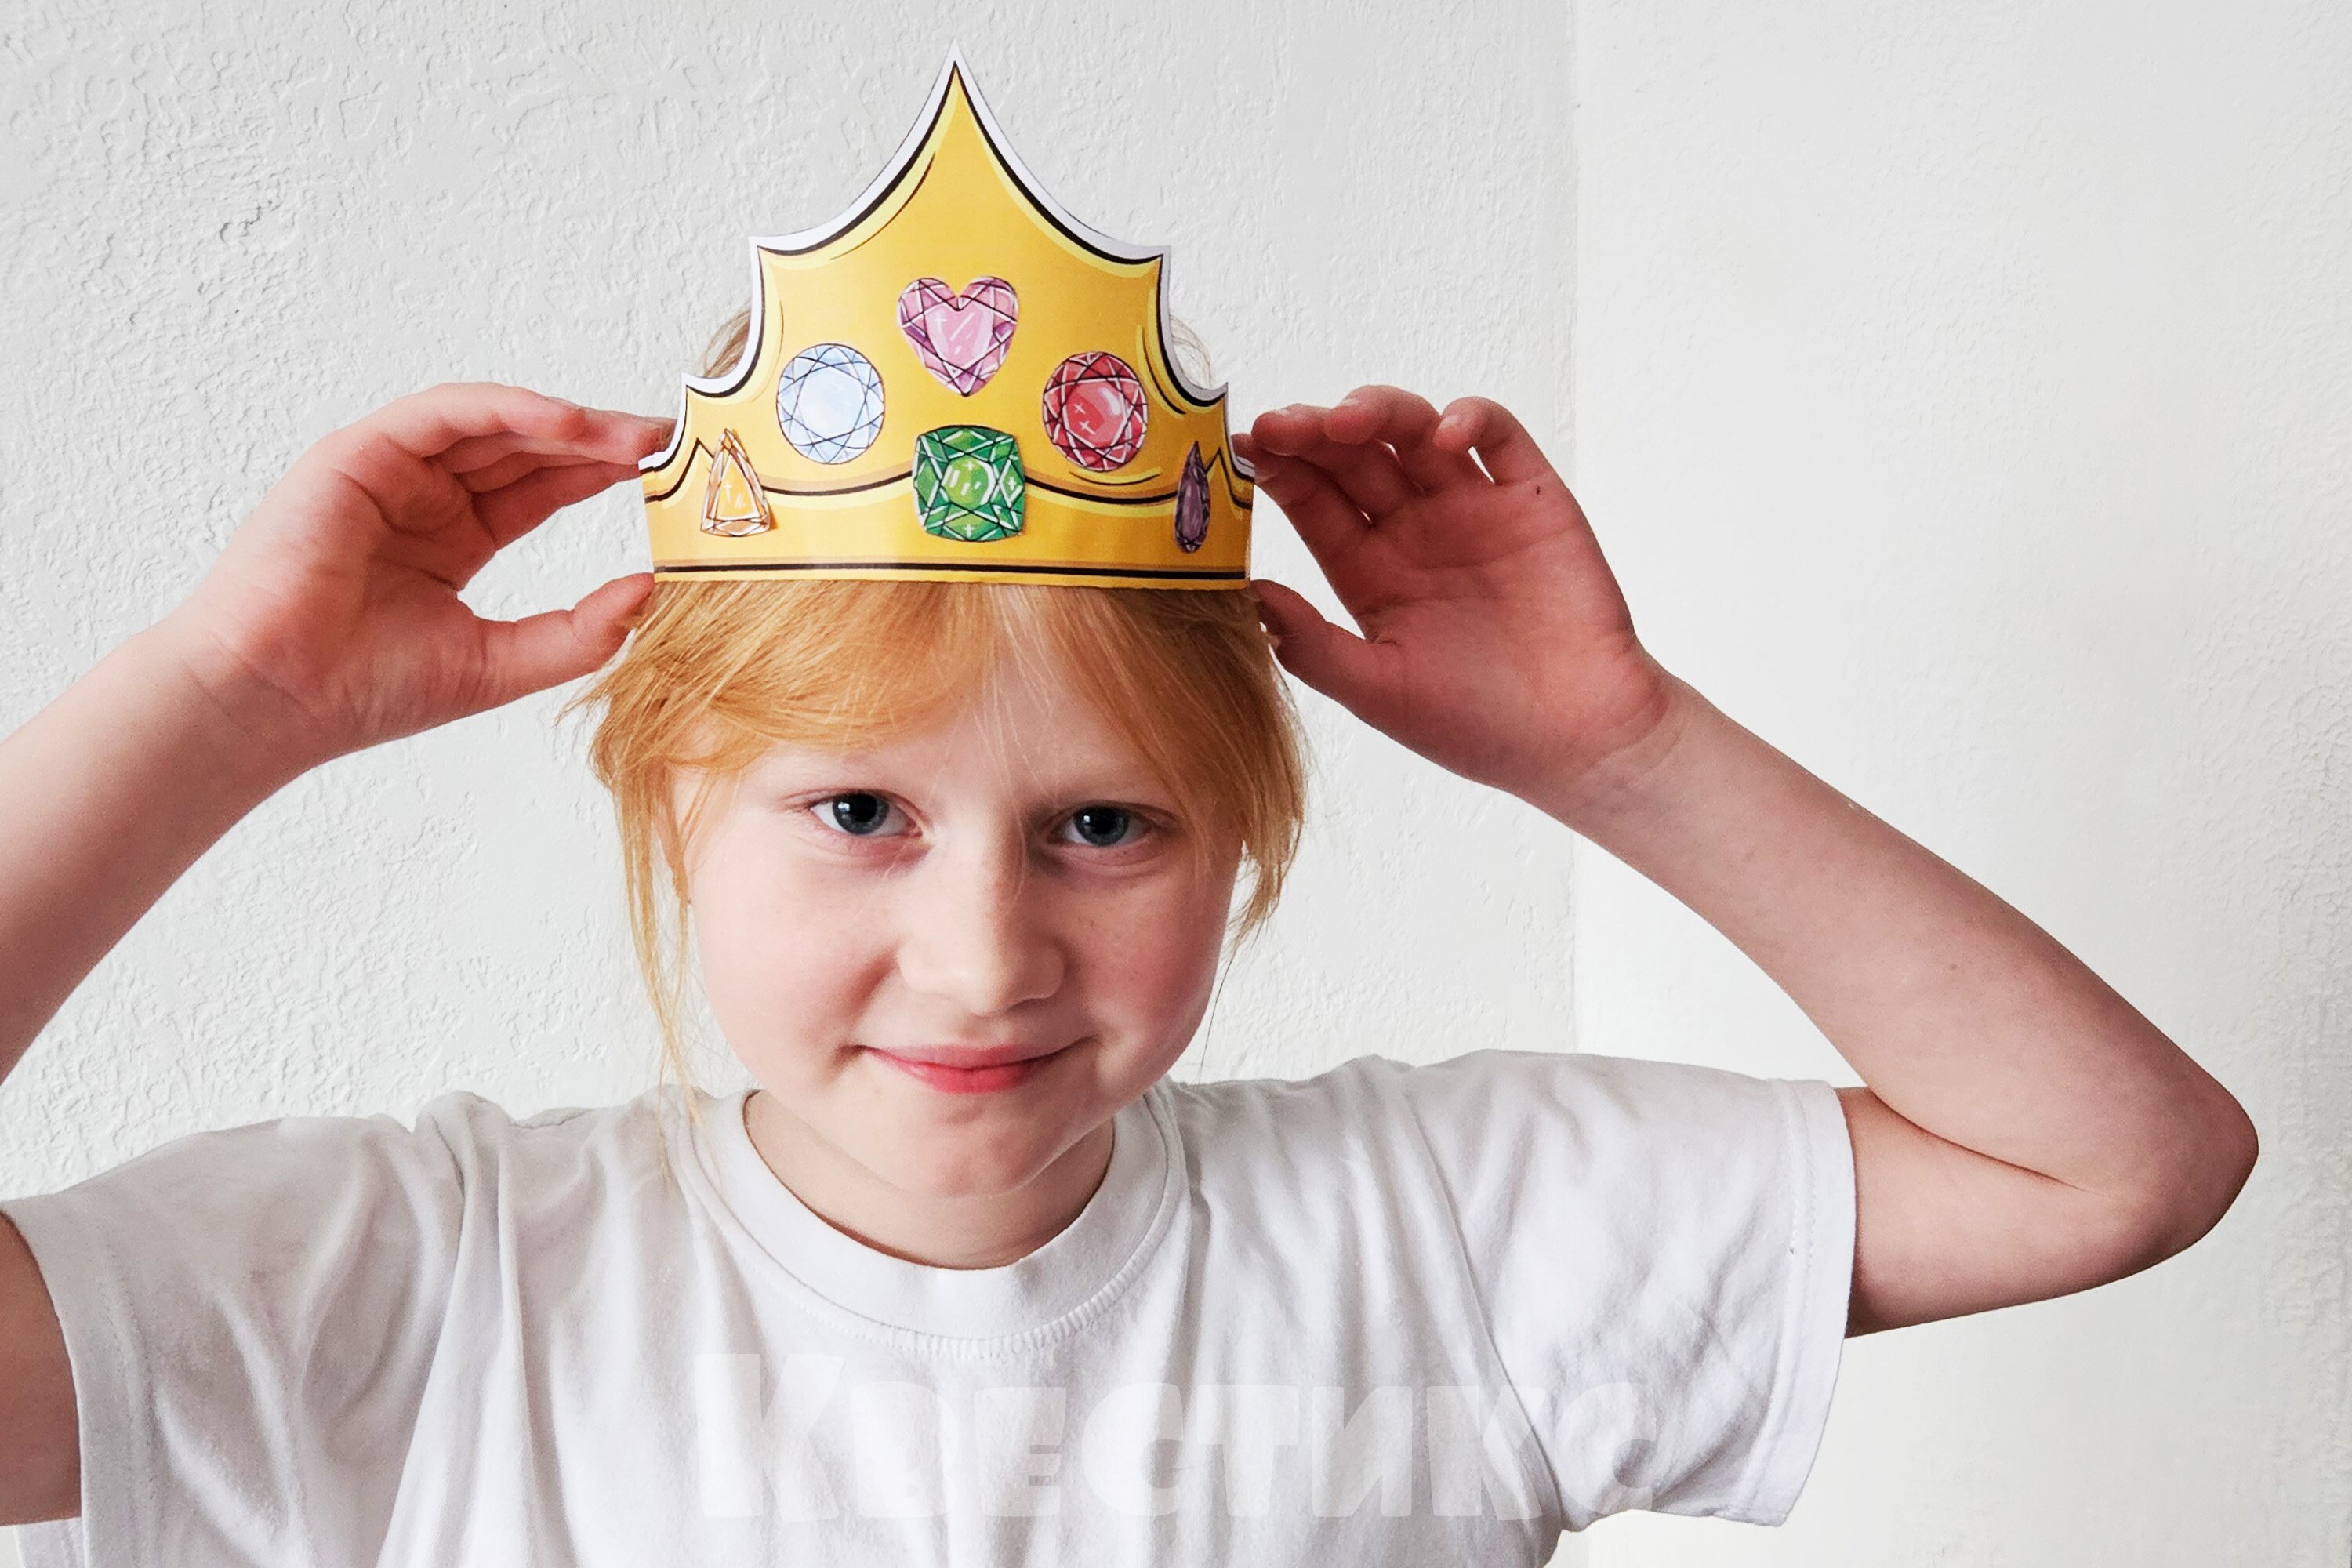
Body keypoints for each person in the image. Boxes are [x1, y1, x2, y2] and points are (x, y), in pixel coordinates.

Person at [0, 362, 2256, 1562]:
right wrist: (227, 704)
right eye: (858, 814)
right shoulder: (407, 1290)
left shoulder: (1451, 1238)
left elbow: (2116, 1166)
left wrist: (1621, 752)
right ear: (671, 809)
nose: (985, 957)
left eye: (1102, 825)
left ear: (1240, 836)